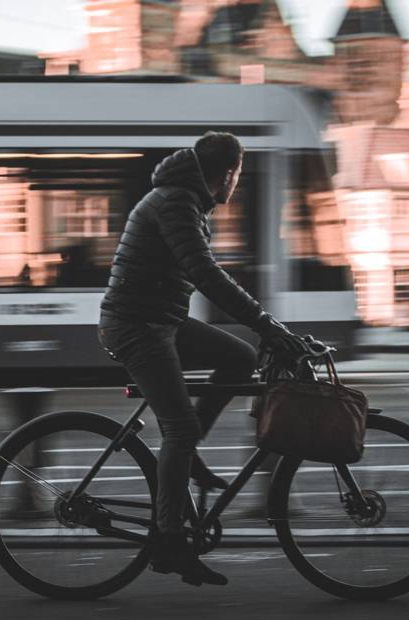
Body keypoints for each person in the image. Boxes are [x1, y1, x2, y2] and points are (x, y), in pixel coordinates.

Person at [97, 132, 308, 586]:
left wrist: (261, 330)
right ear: (228, 173)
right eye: (238, 175)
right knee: (180, 427)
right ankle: (169, 541)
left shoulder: (184, 198)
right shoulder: (176, 201)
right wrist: (266, 322)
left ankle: (186, 458)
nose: (237, 183)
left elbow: (201, 272)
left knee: (239, 357)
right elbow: (204, 272)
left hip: (161, 321)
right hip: (137, 326)